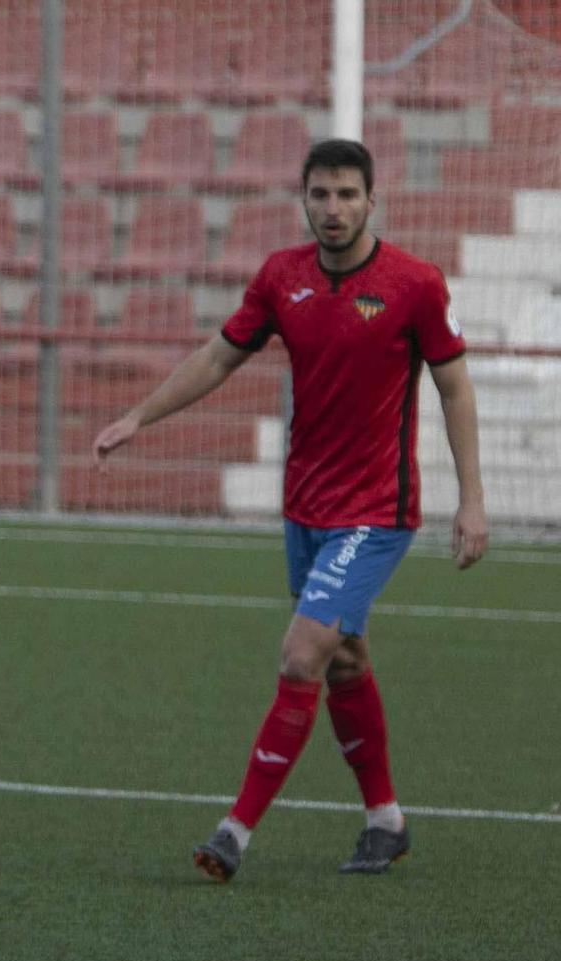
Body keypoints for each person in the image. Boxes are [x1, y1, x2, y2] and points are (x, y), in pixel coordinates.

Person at [94, 140, 487, 882]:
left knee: (301, 651)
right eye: (320, 195)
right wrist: (139, 417)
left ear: (373, 200)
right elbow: (217, 357)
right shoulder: (282, 277)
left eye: (346, 195)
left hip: (377, 509)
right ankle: (385, 821)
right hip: (304, 506)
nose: (333, 209)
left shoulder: (414, 284)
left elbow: (455, 387)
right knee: (344, 657)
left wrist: (471, 497)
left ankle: (234, 831)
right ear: (303, 199)